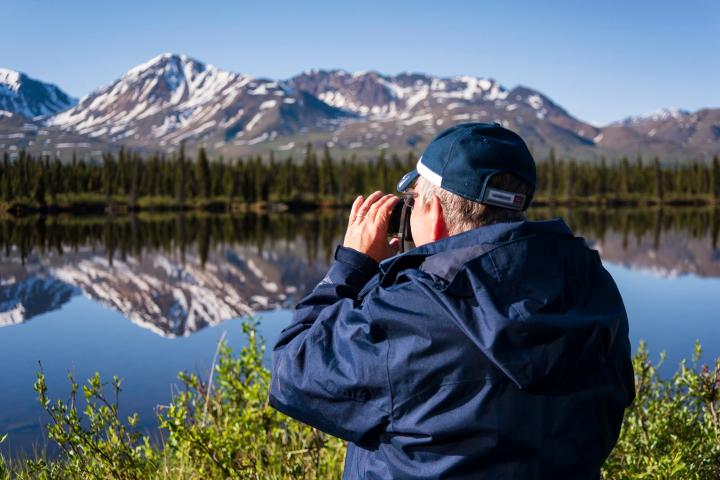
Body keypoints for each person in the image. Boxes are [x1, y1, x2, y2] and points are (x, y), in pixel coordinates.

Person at [269, 123, 635, 479]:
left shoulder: (413, 310)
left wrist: (353, 265)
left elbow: (292, 371)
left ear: (435, 213)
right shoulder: (592, 288)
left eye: (411, 202)